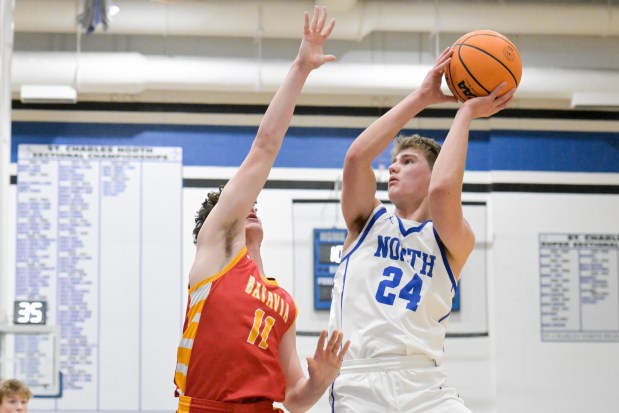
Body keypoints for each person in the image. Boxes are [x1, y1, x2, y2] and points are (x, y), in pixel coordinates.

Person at [173, 6, 350, 413]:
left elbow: (293, 398)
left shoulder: (282, 301)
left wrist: (321, 380)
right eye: (239, 202)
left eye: (254, 202)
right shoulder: (215, 250)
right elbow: (265, 147)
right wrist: (301, 68)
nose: (250, 203)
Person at [328, 47, 515, 412]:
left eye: (407, 161)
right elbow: (356, 158)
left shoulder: (453, 239)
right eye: (393, 163)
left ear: (433, 171)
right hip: (361, 378)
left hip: (425, 384)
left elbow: (444, 191)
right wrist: (421, 97)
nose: (393, 169)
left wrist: (467, 112)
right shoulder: (369, 220)